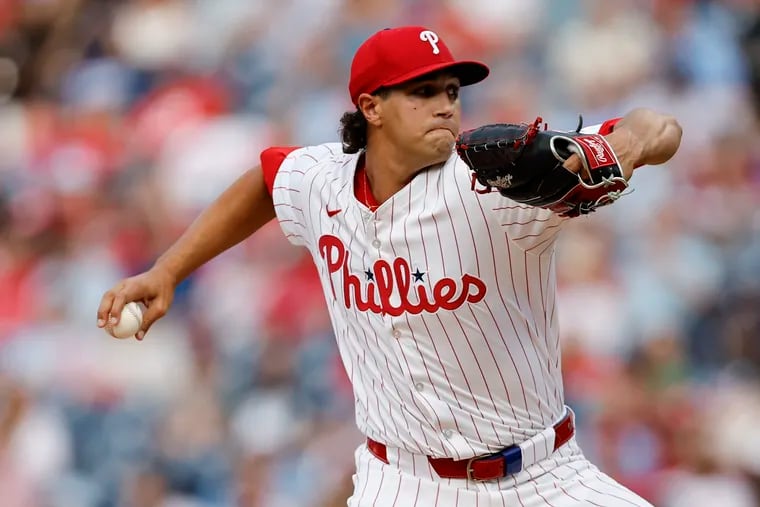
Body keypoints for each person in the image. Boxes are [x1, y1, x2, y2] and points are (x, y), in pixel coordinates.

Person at [97, 26, 682, 506]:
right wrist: (168, 270)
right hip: (403, 484)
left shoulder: (497, 189)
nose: (445, 106)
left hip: (542, 478)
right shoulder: (323, 182)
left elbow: (659, 128)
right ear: (371, 107)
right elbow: (265, 181)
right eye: (423, 93)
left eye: (452, 91)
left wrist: (611, 152)